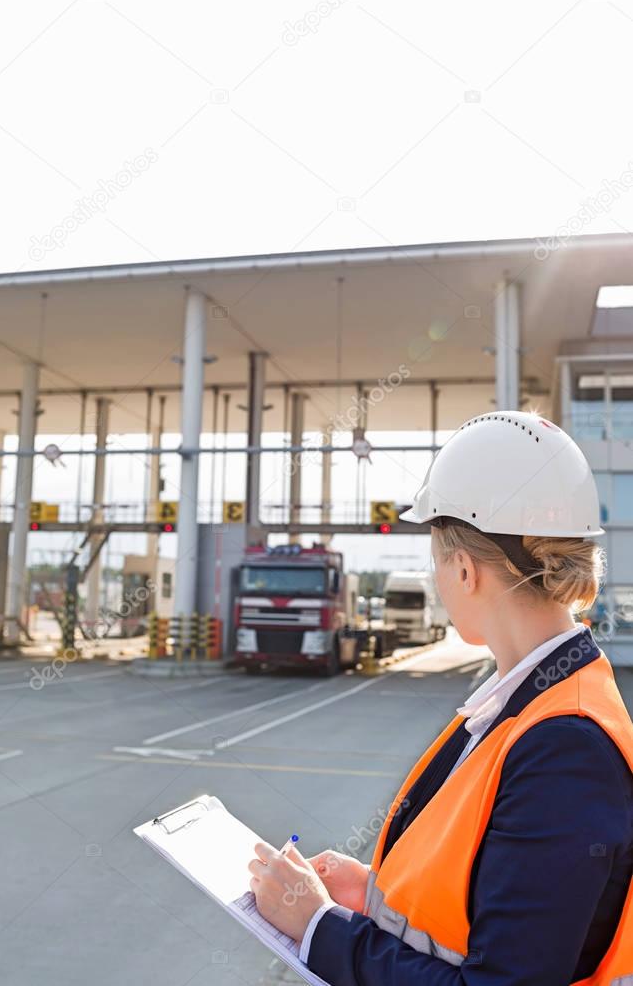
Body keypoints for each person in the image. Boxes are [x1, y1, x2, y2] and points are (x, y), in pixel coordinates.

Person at [248, 409, 633, 985]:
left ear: (463, 568)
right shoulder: (530, 701)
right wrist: (372, 894)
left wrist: (318, 927)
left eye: (435, 558)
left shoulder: (564, 748)